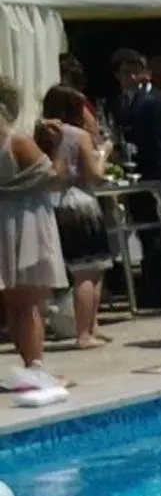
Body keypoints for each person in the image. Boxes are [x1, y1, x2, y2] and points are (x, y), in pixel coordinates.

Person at [0, 73, 69, 390]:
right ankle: (35, 366)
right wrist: (55, 147)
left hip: (3, 221)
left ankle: (27, 366)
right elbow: (53, 177)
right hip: (24, 220)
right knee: (28, 302)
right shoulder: (16, 141)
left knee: (13, 301)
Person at [111, 48, 161, 310]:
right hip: (137, 177)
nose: (131, 77)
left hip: (159, 179)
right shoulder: (122, 102)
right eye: (125, 72)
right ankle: (156, 287)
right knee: (147, 237)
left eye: (136, 71)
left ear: (145, 73)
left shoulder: (158, 101)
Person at [39, 86, 114, 348]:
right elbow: (94, 174)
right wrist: (104, 153)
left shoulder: (44, 134)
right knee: (89, 269)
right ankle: (85, 332)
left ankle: (91, 326)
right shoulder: (77, 135)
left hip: (56, 203)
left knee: (89, 267)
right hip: (80, 201)